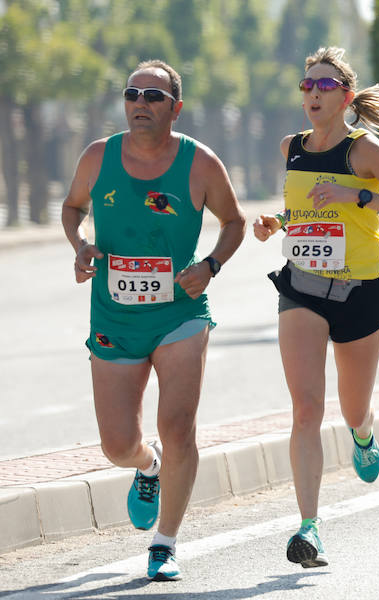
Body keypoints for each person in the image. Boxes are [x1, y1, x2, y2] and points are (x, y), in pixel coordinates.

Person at [61, 60, 246, 580]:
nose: (141, 102)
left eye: (154, 96)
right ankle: (148, 467)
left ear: (175, 108)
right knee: (117, 444)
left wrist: (209, 266)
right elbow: (72, 207)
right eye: (132, 93)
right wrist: (80, 246)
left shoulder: (200, 163)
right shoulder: (98, 157)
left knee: (178, 427)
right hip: (114, 316)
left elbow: (233, 221)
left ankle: (164, 544)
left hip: (180, 315)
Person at [253, 47, 379, 568]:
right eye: (307, 85)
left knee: (353, 408)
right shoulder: (291, 148)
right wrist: (277, 224)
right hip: (301, 288)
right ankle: (309, 527)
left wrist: (360, 198)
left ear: (346, 97)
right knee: (306, 408)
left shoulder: (365, 150)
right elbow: (304, 209)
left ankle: (363, 433)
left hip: (360, 292)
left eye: (324, 86)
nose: (313, 93)